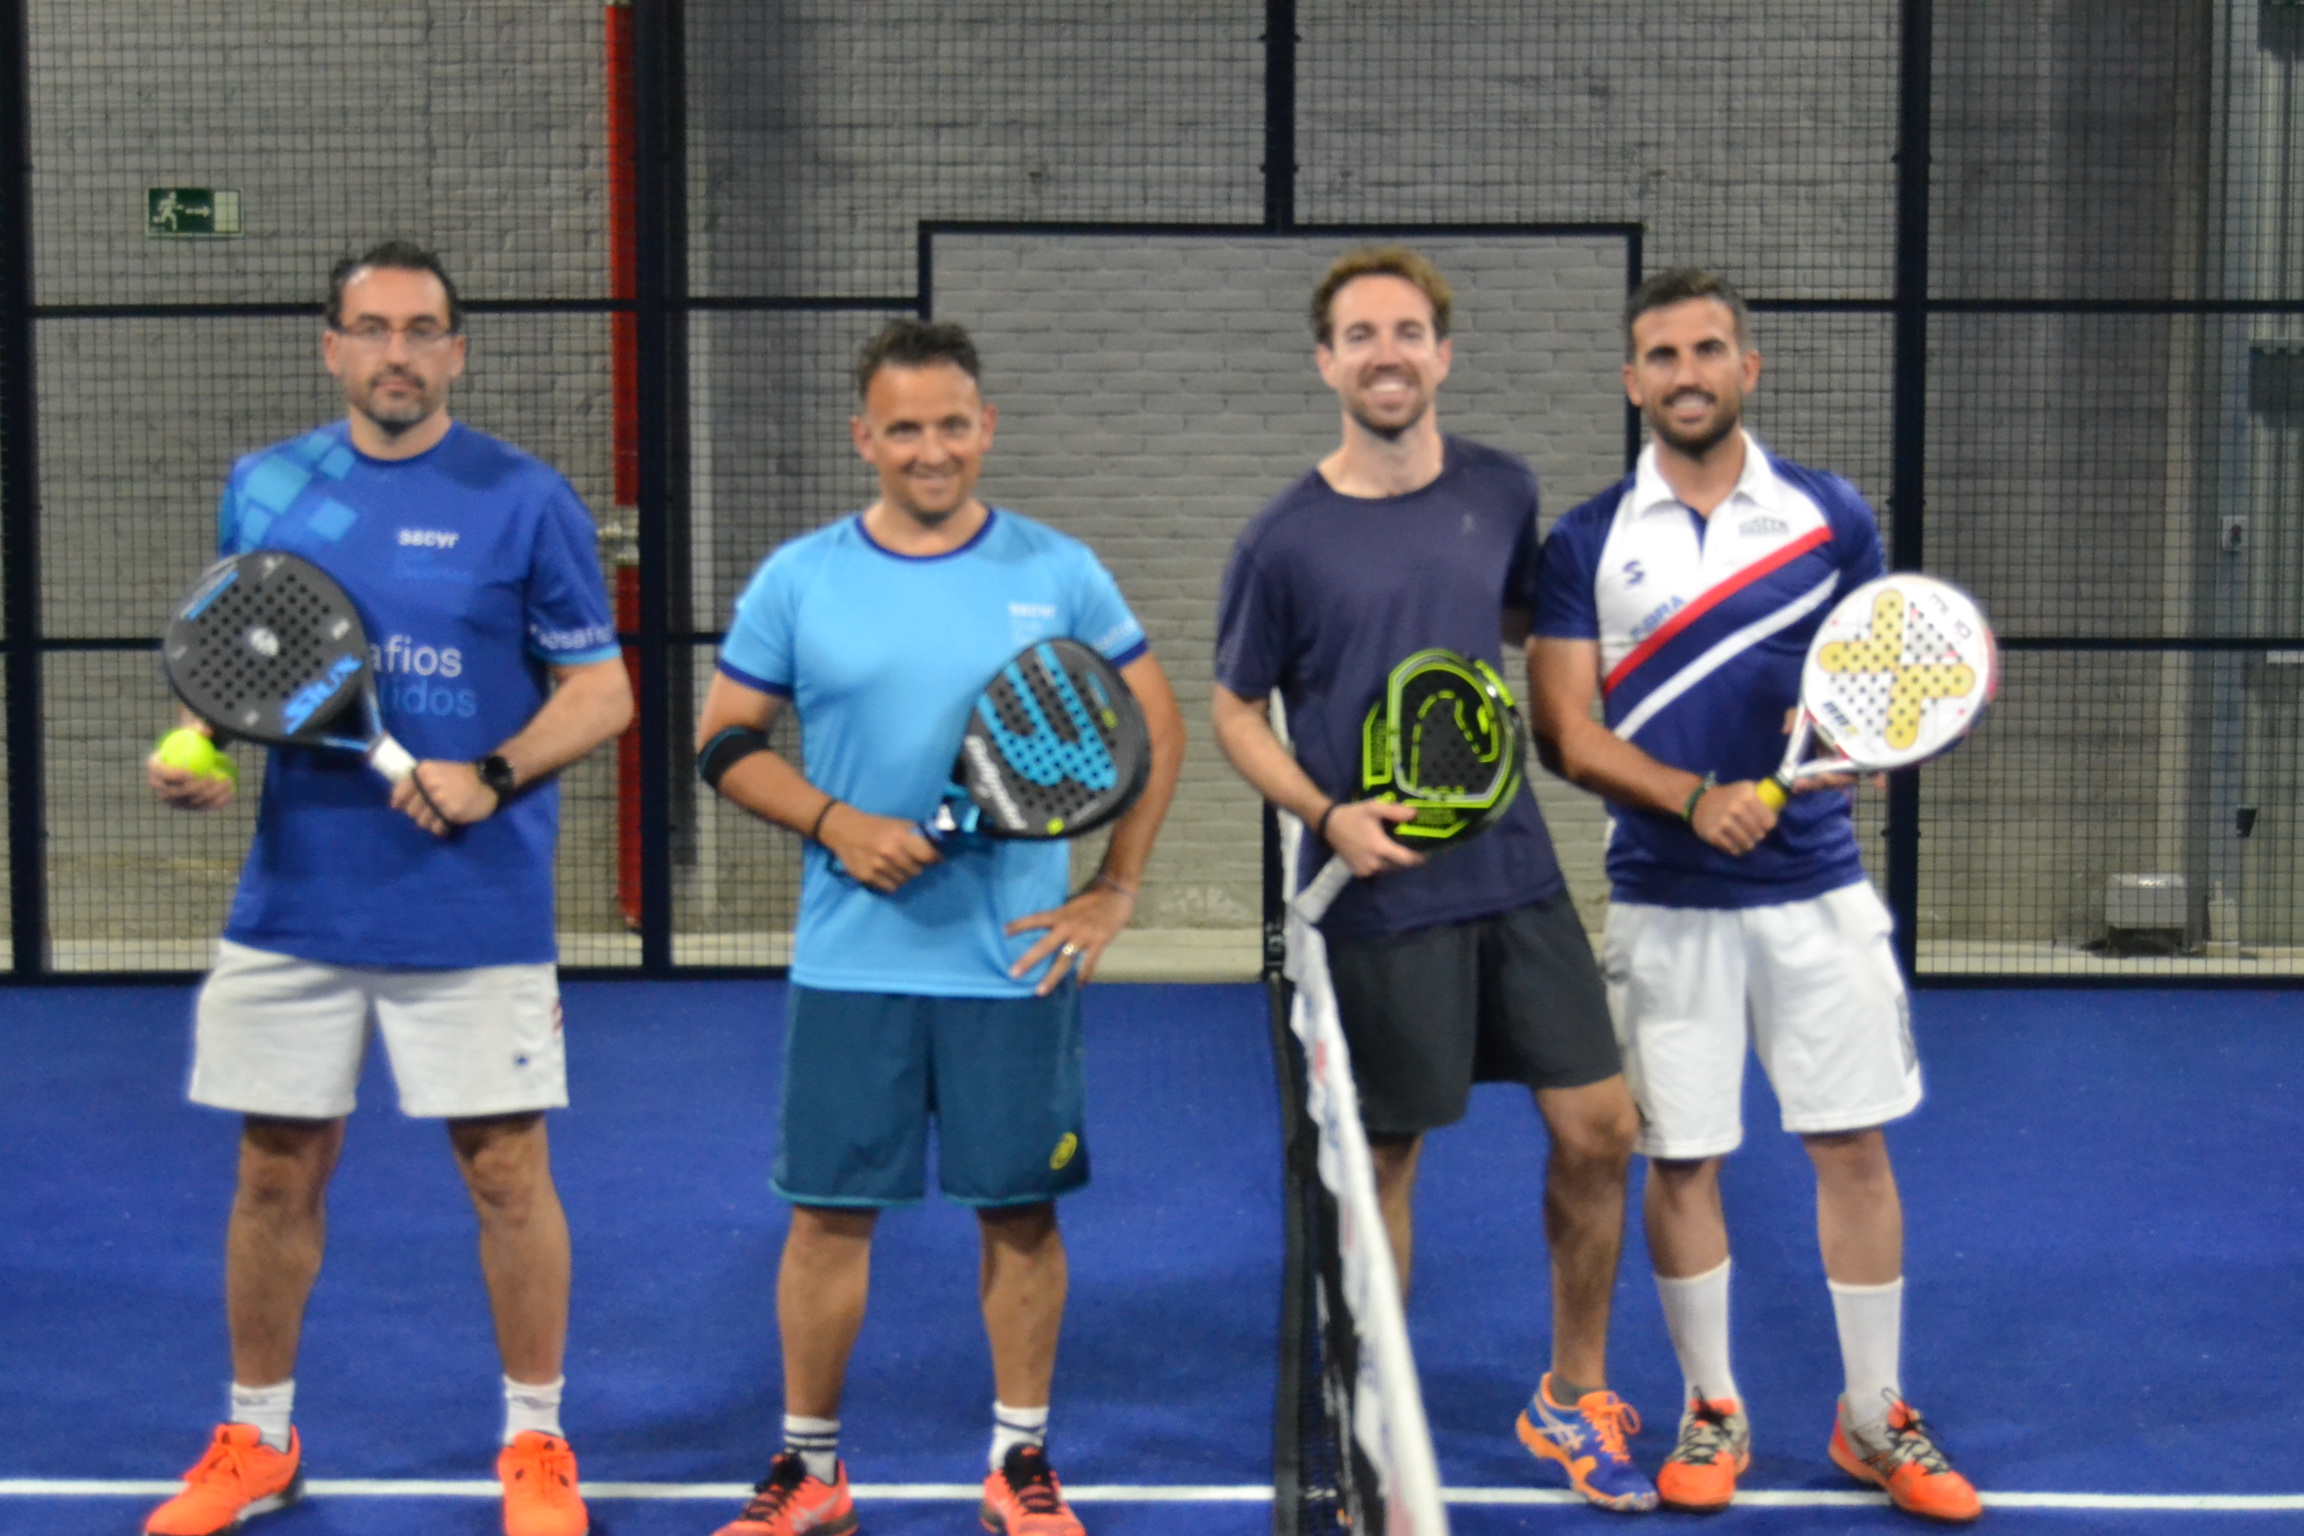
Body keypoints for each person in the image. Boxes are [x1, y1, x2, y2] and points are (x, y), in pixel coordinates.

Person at [142, 241, 634, 1536]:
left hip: (476, 903)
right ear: (333, 347)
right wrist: (194, 750)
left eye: (422, 330)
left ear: (456, 352)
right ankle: (257, 1440)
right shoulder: (266, 487)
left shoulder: (525, 498)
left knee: (506, 1176)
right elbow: (239, 656)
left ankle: (536, 1444)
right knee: (273, 1174)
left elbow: (604, 693)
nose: (397, 353)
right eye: (372, 329)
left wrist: (493, 772)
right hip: (299, 897)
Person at [694, 319, 1184, 1536]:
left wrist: (1115, 888)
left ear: (987, 428)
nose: (930, 449)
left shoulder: (1061, 571)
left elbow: (1152, 726)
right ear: (863, 437)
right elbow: (724, 742)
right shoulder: (799, 577)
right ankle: (811, 1471)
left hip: (1011, 965)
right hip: (851, 962)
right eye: (903, 428)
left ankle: (1020, 1465)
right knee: (826, 1217)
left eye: (952, 425)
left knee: (1019, 1215)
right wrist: (837, 821)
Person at [1526, 267, 1981, 1523]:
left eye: (1709, 350)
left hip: (1816, 892)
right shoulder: (1586, 541)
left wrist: (1867, 748)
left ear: (1748, 367)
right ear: (1633, 381)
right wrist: (1691, 798)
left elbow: (1883, 671)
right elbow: (1565, 732)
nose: (1688, 373)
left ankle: (1874, 1416)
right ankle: (1712, 1407)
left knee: (1853, 1146)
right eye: (1663, 355)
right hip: (1663, 901)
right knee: (1683, 1159)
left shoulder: (1830, 517)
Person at [1210, 247, 1653, 1514]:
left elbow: (1537, 632)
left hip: (1514, 871)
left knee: (1601, 1129)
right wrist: (1327, 815)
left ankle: (1571, 1398)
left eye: (1407, 331)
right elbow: (1235, 710)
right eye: (1360, 335)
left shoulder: (1503, 492)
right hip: (1379, 893)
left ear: (1443, 354)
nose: (1386, 353)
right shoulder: (1282, 541)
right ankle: (1374, 1419)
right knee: (1386, 1164)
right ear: (1326, 363)